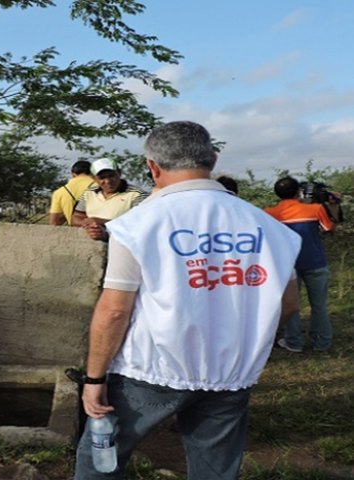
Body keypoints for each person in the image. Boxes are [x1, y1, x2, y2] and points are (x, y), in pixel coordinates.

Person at [73, 121, 302, 480]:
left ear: (153, 167)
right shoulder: (270, 229)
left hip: (150, 369)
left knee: (102, 457)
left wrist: (94, 378)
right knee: (214, 469)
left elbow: (115, 310)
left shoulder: (138, 225)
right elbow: (288, 305)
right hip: (230, 373)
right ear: (212, 158)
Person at [265, 176, 336, 353]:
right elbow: (329, 229)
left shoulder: (269, 213)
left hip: (287, 265)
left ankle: (294, 342)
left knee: (291, 304)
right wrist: (333, 205)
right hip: (316, 262)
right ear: (298, 191)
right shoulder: (316, 209)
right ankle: (322, 343)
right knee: (319, 305)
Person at [71, 158, 148, 241]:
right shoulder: (89, 193)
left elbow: (140, 224)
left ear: (119, 173)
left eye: (111, 176)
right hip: (94, 246)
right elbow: (76, 217)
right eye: (102, 178)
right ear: (94, 179)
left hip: (124, 245)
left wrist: (102, 222)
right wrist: (90, 225)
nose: (107, 181)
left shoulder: (137, 194)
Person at [49, 160, 95, 226]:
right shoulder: (100, 187)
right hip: (100, 231)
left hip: (74, 233)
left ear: (73, 174)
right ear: (92, 172)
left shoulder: (60, 192)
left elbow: (54, 223)